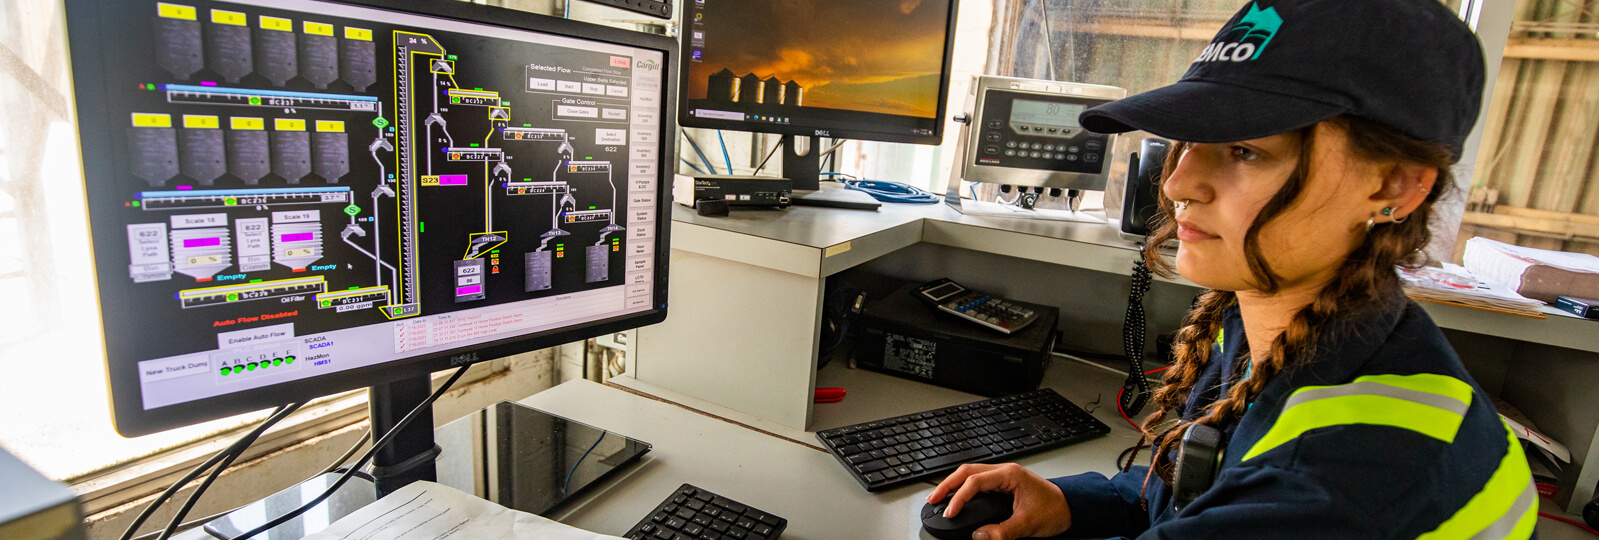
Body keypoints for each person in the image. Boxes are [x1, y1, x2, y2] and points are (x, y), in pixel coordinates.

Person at [927, 0, 1538, 538]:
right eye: (1190, 141)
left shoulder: (1351, 460)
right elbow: (1203, 486)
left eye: (1246, 151)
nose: (1179, 182)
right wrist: (1071, 503)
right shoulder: (1273, 326)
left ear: (1395, 187)